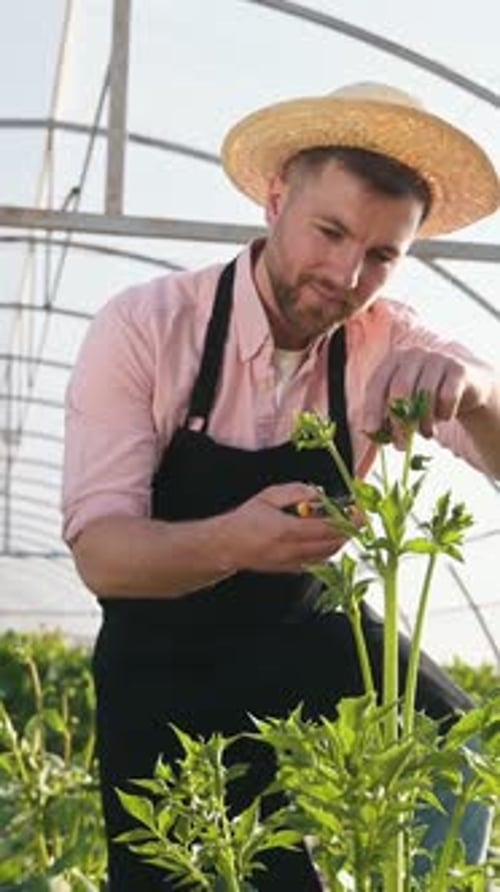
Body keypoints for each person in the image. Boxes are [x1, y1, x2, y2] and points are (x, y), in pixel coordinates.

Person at [62, 82, 500, 890]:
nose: (345, 273)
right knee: (204, 870)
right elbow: (103, 556)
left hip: (307, 623)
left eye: (381, 256)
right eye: (329, 232)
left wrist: (474, 386)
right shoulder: (148, 327)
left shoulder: (386, 341)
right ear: (274, 201)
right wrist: (232, 539)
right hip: (163, 651)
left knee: (456, 763)